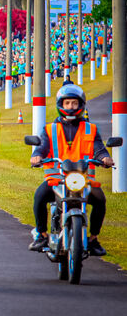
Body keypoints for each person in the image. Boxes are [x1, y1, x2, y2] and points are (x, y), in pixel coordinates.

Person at [28, 84, 113, 256]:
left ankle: (93, 239)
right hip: (56, 178)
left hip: (84, 179)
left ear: (81, 104)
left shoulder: (91, 129)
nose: (71, 107)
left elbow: (99, 148)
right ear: (61, 105)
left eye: (74, 103)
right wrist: (36, 155)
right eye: (67, 103)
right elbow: (42, 147)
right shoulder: (50, 129)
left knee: (100, 200)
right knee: (39, 196)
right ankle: (42, 235)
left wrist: (105, 158)